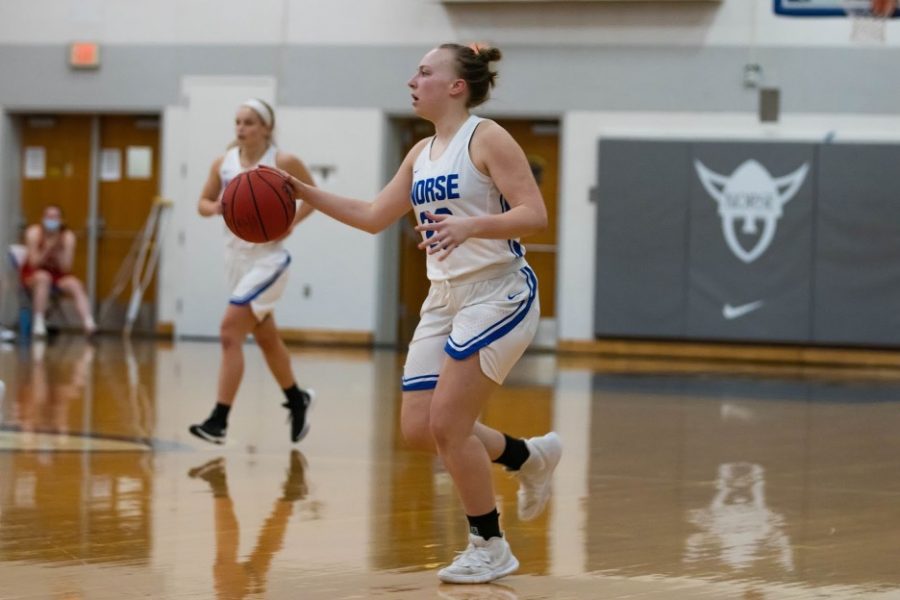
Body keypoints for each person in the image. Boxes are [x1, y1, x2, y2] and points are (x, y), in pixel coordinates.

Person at [274, 43, 562, 584]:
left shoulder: (487, 136)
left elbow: (535, 214)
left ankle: (490, 544)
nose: (413, 79)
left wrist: (470, 226)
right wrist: (299, 191)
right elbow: (371, 215)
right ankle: (528, 457)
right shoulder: (422, 152)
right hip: (444, 298)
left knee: (449, 425)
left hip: (498, 291)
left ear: (456, 86)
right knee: (418, 428)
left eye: (425, 72)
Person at [189, 99, 316, 445]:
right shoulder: (224, 162)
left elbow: (314, 195)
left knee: (230, 331)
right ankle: (296, 398)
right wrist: (217, 206)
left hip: (269, 261)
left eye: (248, 122)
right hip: (235, 260)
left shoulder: (282, 162)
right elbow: (201, 204)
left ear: (266, 128)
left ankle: (219, 420)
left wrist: (291, 222)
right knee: (265, 338)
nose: (241, 128)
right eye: (238, 122)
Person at [20, 204, 97, 337]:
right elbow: (34, 263)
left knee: (75, 284)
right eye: (48, 216)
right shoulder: (34, 233)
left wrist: (58, 251)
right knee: (44, 277)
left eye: (55, 217)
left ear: (61, 220)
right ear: (42, 218)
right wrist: (47, 249)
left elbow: (66, 267)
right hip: (34, 274)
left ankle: (89, 323)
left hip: (57, 274)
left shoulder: (67, 237)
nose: (51, 220)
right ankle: (39, 323)